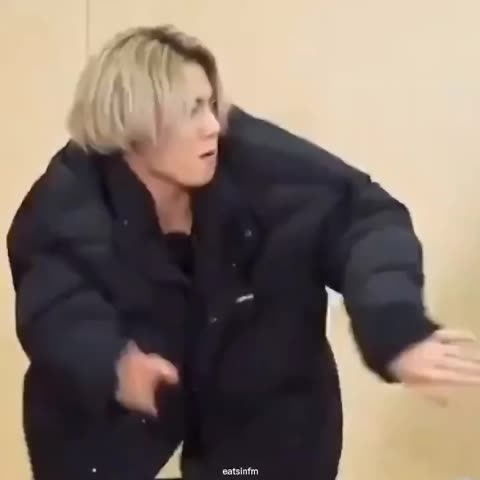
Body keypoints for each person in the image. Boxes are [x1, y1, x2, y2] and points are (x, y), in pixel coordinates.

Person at [7, 25, 480, 480]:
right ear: (133, 124)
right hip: (113, 446)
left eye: (211, 105)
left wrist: (394, 326)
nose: (212, 126)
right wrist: (112, 364)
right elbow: (57, 306)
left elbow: (363, 220)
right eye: (191, 110)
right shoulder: (67, 202)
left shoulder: (259, 164)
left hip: (259, 439)